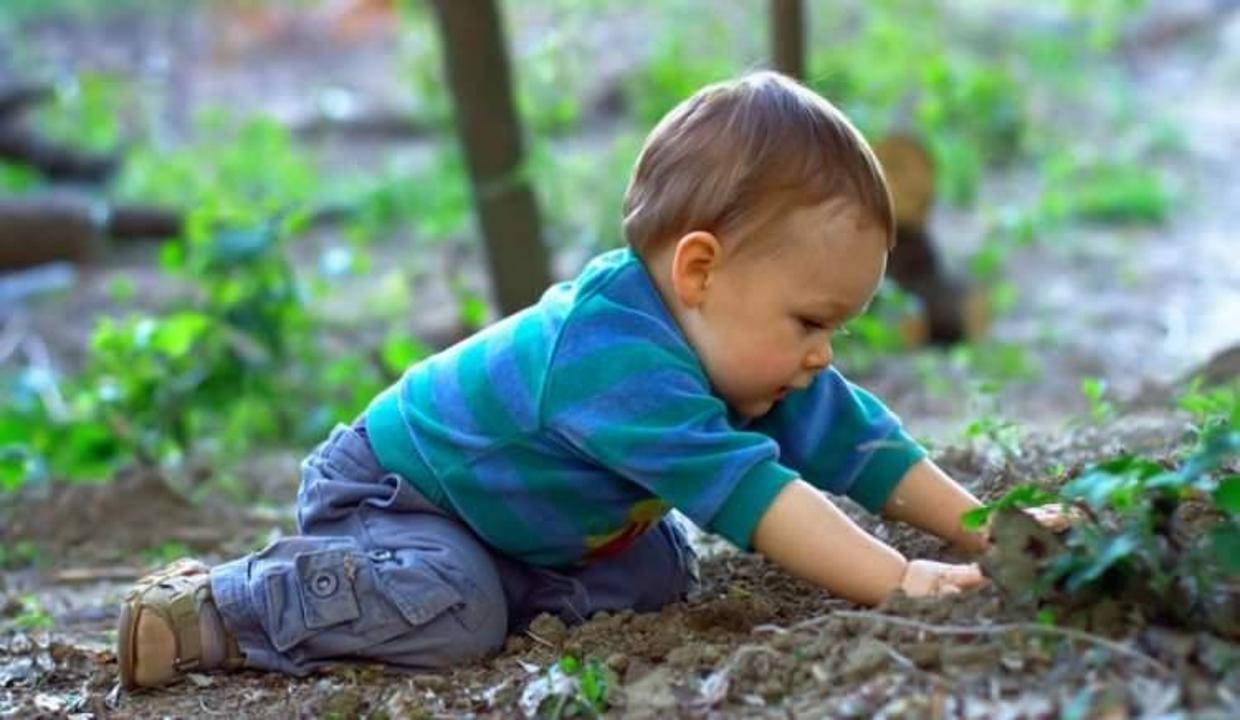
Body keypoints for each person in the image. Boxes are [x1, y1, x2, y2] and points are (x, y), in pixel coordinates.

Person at [118, 71, 1020, 690]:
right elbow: (757, 495)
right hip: (398, 499)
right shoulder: (614, 356)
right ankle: (222, 606)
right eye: (811, 322)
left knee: (662, 570)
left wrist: (984, 530)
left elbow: (854, 437)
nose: (824, 353)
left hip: (519, 523)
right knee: (456, 609)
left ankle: (497, 583)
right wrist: (896, 577)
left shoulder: (737, 342)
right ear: (699, 270)